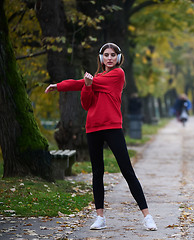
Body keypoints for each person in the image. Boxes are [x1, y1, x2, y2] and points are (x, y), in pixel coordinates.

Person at [45, 43, 157, 231]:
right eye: (106, 55)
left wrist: (61, 86)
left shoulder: (118, 75)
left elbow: (81, 83)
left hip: (112, 127)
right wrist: (86, 87)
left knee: (127, 171)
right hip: (93, 128)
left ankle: (147, 216)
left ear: (118, 58)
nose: (110, 58)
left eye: (113, 55)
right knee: (97, 173)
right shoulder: (94, 80)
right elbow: (86, 104)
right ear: (101, 58)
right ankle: (100, 217)